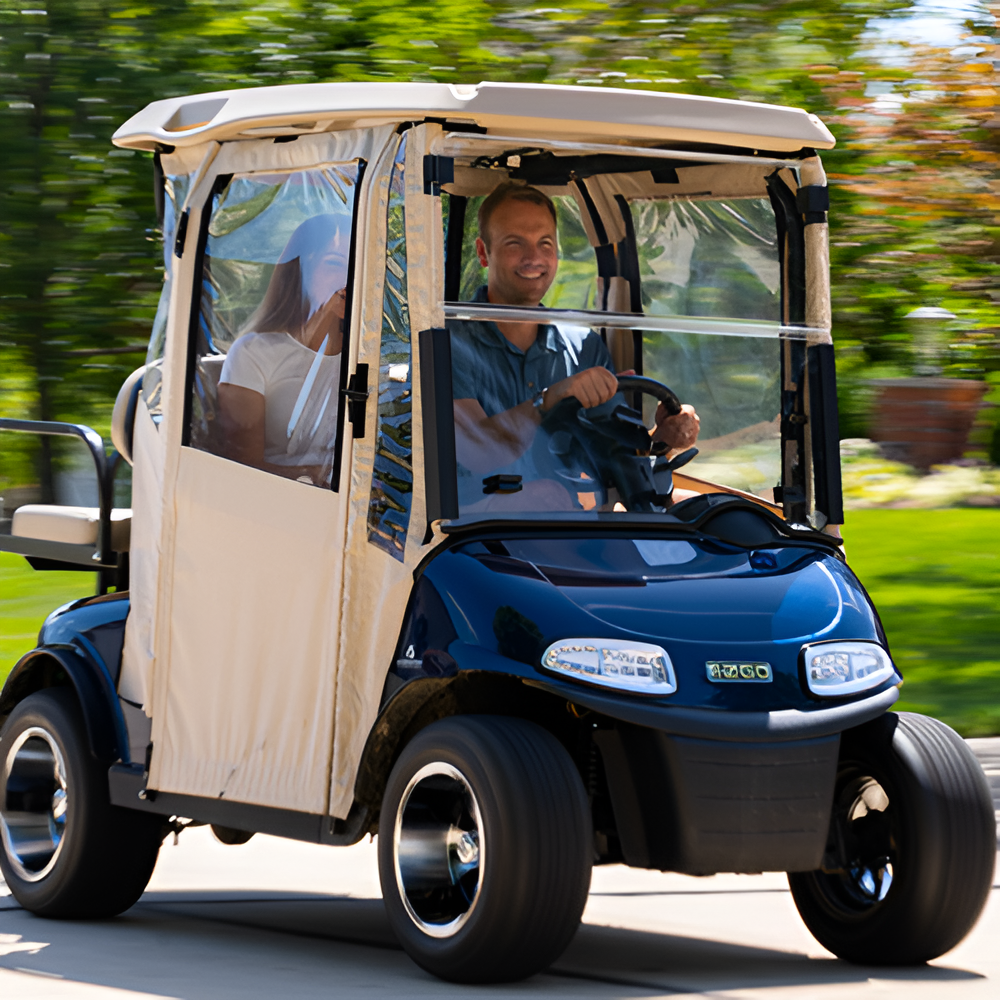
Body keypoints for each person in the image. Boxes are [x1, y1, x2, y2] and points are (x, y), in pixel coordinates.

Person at [448, 182, 700, 510]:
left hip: (570, 524)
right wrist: (552, 397)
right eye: (515, 243)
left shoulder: (584, 347)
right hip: (477, 535)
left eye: (545, 243)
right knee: (545, 497)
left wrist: (661, 440)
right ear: (484, 253)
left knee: (710, 509)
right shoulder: (450, 342)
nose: (533, 258)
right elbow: (480, 453)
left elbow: (613, 461)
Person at [217, 214, 349, 487]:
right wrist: (314, 478)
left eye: (357, 265)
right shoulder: (254, 354)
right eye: (335, 263)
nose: (349, 277)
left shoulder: (373, 356)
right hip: (277, 508)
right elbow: (239, 469)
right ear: (301, 269)